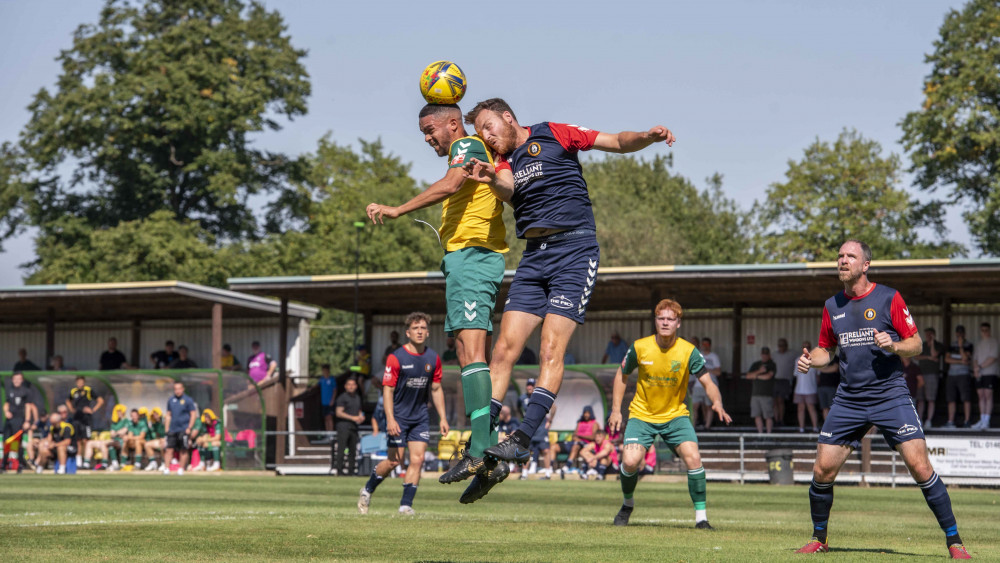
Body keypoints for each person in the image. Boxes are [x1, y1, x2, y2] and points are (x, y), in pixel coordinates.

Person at [460, 98, 676, 496]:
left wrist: (647, 136)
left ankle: (522, 440)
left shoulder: (554, 132)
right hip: (533, 259)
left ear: (509, 117)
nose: (487, 136)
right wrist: (491, 175)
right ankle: (481, 450)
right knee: (503, 351)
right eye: (481, 133)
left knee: (549, 351)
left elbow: (615, 141)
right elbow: (507, 188)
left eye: (490, 127)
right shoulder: (502, 161)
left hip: (574, 253)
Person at [367, 103, 509, 504]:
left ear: (453, 123)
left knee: (474, 351)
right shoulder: (468, 148)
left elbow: (449, 185)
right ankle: (491, 456)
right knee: (466, 353)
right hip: (463, 260)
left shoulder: (467, 144)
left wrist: (397, 209)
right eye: (424, 132)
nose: (428, 137)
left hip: (474, 256)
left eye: (431, 129)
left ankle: (481, 450)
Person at [794, 240, 969, 558]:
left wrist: (894, 346)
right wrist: (811, 360)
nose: (843, 261)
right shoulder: (832, 305)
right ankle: (819, 538)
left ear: (865, 265)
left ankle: (955, 542)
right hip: (849, 399)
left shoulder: (889, 297)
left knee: (919, 466)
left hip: (890, 395)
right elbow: (826, 350)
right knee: (822, 471)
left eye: (850, 256)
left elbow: (915, 344)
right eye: (840, 256)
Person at [608, 298, 731, 528]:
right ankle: (627, 504)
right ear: (655, 321)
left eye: (670, 319)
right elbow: (621, 375)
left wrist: (717, 402)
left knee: (694, 458)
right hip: (642, 415)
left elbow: (708, 382)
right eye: (661, 318)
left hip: (675, 417)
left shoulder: (688, 351)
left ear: (678, 323)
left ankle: (701, 519)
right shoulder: (639, 347)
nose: (665, 323)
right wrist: (616, 411)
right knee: (631, 461)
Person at [358, 312, 449, 515]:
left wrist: (443, 417)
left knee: (417, 460)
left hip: (420, 417)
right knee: (394, 461)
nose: (419, 331)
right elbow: (387, 390)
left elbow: (436, 389)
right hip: (398, 417)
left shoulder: (433, 358)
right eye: (415, 328)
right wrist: (390, 419)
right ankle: (367, 489)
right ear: (408, 333)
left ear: (428, 333)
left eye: (423, 328)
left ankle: (405, 505)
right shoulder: (396, 357)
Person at [518, 378, 555, 480]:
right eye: (528, 385)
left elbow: (554, 407)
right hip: (529, 428)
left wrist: (549, 421)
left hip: (541, 428)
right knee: (526, 450)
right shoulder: (522, 398)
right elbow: (518, 409)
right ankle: (524, 474)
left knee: (546, 450)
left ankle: (548, 474)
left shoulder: (540, 396)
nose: (529, 387)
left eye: (532, 385)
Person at [2, 372, 38, 472]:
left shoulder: (26, 391)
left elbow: (28, 407)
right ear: (12, 380)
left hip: (19, 420)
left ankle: (20, 465)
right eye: (15, 379)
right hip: (9, 421)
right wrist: (6, 411)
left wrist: (27, 420)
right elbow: (6, 403)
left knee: (17, 443)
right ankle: (4, 465)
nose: (16, 381)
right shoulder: (10, 390)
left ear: (22, 380)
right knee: (6, 442)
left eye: (19, 379)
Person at [66, 376, 104, 468]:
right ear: (76, 383)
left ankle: (86, 461)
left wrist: (93, 410)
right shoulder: (73, 391)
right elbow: (68, 400)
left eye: (81, 382)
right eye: (78, 382)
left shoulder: (88, 390)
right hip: (77, 418)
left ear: (84, 383)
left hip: (86, 419)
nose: (80, 384)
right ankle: (79, 461)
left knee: (86, 440)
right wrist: (71, 409)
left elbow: (100, 400)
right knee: (77, 440)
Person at [163, 381, 198, 476]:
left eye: (179, 389)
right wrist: (167, 428)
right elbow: (168, 415)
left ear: (183, 389)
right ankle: (166, 468)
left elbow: (193, 414)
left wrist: (189, 427)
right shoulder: (171, 400)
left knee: (183, 449)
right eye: (175, 389)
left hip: (184, 428)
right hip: (172, 429)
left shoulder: (188, 400)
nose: (177, 391)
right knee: (169, 449)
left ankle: (181, 469)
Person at [333, 376, 364, 477]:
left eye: (353, 385)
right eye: (349, 385)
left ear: (356, 386)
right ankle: (339, 471)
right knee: (341, 449)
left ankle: (351, 471)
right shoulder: (342, 397)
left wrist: (360, 417)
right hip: (343, 426)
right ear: (346, 386)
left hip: (354, 427)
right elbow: (338, 412)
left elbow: (359, 411)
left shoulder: (358, 397)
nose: (351, 387)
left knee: (353, 450)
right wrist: (352, 418)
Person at [944, 325, 974, 428]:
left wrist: (961, 347)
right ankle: (950, 421)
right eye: (958, 332)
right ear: (956, 333)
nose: (959, 334)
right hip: (951, 375)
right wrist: (961, 361)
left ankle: (967, 421)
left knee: (966, 398)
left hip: (964, 374)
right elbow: (947, 360)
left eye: (961, 332)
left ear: (964, 333)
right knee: (951, 398)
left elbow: (967, 359)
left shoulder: (969, 344)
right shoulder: (951, 345)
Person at [914, 327, 945, 428]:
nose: (928, 336)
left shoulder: (938, 345)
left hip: (932, 374)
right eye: (926, 334)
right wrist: (928, 357)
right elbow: (916, 357)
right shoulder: (921, 344)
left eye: (930, 334)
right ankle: (920, 420)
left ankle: (929, 420)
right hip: (922, 374)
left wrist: (932, 343)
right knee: (920, 399)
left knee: (931, 399)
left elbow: (934, 354)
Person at [691, 337, 722, 430]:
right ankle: (693, 426)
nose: (705, 346)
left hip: (710, 384)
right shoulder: (698, 355)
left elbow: (718, 372)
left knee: (709, 406)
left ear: (710, 345)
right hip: (698, 385)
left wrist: (707, 370)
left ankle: (707, 426)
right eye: (703, 344)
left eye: (707, 344)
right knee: (694, 406)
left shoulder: (714, 356)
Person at [559, 405, 598, 475]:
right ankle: (567, 468)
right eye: (585, 413)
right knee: (574, 445)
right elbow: (574, 435)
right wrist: (577, 439)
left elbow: (593, 437)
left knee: (577, 447)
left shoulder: (594, 423)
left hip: (588, 444)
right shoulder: (580, 423)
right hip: (577, 443)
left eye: (588, 413)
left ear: (591, 413)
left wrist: (580, 436)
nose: (586, 415)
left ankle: (568, 466)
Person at [972, 322, 997, 430]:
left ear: (989, 330)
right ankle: (982, 419)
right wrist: (975, 369)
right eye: (982, 330)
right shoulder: (978, 343)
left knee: (988, 395)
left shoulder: (994, 342)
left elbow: (993, 357)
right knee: (980, 395)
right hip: (979, 373)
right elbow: (975, 358)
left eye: (986, 330)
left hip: (990, 372)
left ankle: (987, 420)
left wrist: (980, 367)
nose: (984, 332)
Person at [746, 347, 777, 434]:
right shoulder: (756, 364)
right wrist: (759, 371)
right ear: (761, 354)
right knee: (757, 415)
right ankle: (760, 434)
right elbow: (748, 376)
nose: (764, 356)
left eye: (766, 354)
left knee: (768, 416)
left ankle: (769, 434)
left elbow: (768, 376)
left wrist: (756, 376)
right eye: (763, 354)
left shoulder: (772, 364)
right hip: (755, 394)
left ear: (769, 355)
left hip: (767, 394)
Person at [794, 341, 821, 433]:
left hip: (811, 389)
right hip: (799, 389)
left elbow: (818, 376)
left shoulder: (815, 360)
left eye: (808, 347)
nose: (806, 348)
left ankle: (815, 427)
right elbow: (796, 375)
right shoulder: (798, 359)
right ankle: (801, 428)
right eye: (804, 347)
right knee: (800, 408)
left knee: (811, 408)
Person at [772, 338, 796, 426]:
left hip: (785, 380)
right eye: (779, 345)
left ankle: (781, 420)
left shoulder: (792, 354)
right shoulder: (774, 354)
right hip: (775, 380)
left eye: (783, 345)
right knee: (774, 401)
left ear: (786, 346)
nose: (781, 347)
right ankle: (776, 419)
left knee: (781, 401)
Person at [816, 355, 841, 422]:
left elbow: (835, 368)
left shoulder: (836, 358)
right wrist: (827, 369)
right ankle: (827, 427)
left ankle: (833, 426)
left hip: (832, 386)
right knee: (824, 408)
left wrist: (823, 369)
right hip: (821, 386)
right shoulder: (821, 358)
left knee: (832, 407)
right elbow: (818, 368)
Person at [318, 364, 338, 437]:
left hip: (330, 402)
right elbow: (317, 386)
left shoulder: (332, 379)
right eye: (323, 371)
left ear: (328, 371)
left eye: (326, 370)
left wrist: (332, 400)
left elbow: (335, 390)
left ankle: (331, 433)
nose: (324, 372)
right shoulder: (321, 379)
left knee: (330, 417)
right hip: (324, 402)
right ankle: (327, 433)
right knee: (326, 418)